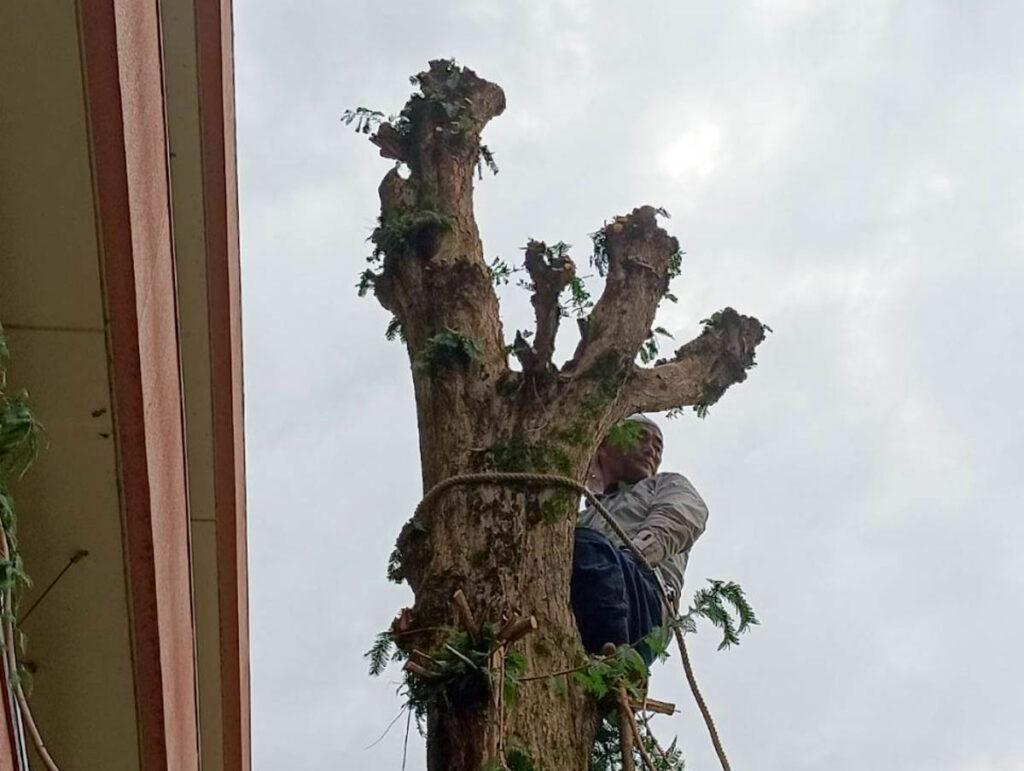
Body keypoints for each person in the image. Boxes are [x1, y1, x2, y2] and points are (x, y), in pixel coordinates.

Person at [571, 414, 708, 664]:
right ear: (604, 446)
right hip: (589, 597)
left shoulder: (664, 484)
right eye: (640, 437)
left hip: (642, 598)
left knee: (587, 546)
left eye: (658, 446)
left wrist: (633, 555)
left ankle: (616, 659)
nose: (651, 450)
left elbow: (679, 517)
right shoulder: (582, 517)